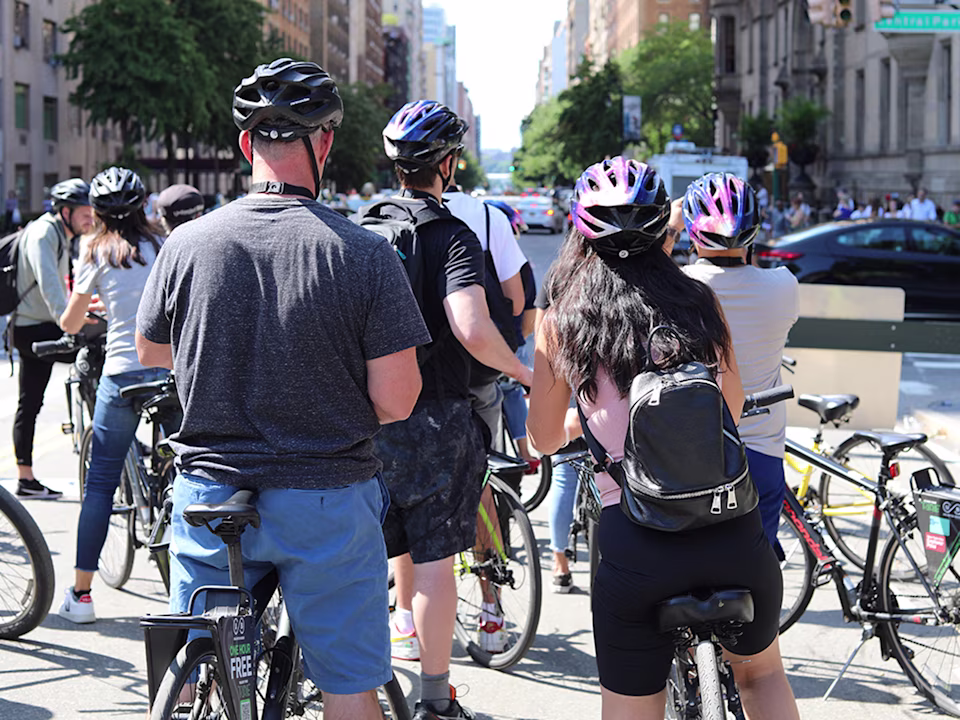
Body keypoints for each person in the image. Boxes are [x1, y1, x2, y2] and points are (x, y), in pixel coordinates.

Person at [136, 58, 429, 720]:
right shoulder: (365, 253)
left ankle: (196, 690)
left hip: (210, 493)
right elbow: (398, 399)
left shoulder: (187, 243)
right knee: (349, 688)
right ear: (325, 142)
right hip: (325, 497)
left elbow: (150, 350)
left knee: (200, 668)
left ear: (246, 145)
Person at [526, 157, 800, 720]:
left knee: (631, 707)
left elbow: (546, 438)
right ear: (663, 229)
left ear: (580, 230)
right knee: (763, 676)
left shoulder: (560, 322)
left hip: (637, 544)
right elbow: (730, 408)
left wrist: (588, 424)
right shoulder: (700, 301)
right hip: (731, 528)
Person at [373, 99, 532, 720]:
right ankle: (435, 698)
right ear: (448, 164)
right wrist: (521, 371)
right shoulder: (452, 234)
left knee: (371, 554)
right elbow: (471, 325)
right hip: (437, 415)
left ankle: (362, 682)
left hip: (367, 418)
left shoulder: (361, 230)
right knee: (437, 562)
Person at [56, 167, 170, 623]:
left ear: (97, 212)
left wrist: (89, 313)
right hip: (167, 372)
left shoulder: (94, 249)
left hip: (122, 374)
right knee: (186, 470)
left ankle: (81, 596)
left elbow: (70, 321)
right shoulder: (162, 244)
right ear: (143, 206)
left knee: (101, 484)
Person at [681, 172, 799, 550]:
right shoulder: (784, 286)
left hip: (692, 454)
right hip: (762, 452)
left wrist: (671, 224)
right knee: (757, 566)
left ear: (693, 232)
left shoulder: (678, 287)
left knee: (690, 567)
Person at [12, 178, 95, 499]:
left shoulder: (60, 234)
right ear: (65, 212)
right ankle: (111, 436)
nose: (90, 218)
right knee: (94, 354)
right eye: (84, 213)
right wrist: (72, 322)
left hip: (40, 325)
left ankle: (26, 479)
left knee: (30, 402)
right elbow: (50, 286)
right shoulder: (44, 234)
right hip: (34, 328)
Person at [443, 160, 527, 446]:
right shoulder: (489, 217)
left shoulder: (383, 218)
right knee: (482, 456)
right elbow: (515, 304)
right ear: (449, 163)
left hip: (412, 374)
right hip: (476, 369)